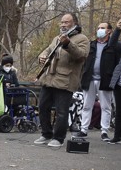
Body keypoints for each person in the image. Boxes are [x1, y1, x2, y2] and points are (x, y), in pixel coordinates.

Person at [34, 12, 89, 148]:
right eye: (62, 22)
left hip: (66, 80)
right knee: (42, 107)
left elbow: (81, 56)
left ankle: (58, 138)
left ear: (74, 24)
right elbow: (47, 50)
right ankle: (46, 133)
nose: (63, 25)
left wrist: (68, 44)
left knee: (62, 111)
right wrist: (42, 56)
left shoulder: (82, 39)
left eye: (66, 22)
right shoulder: (56, 38)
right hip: (49, 77)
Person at [79, 20, 121, 141]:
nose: (99, 30)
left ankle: (104, 131)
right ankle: (83, 129)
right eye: (98, 27)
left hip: (105, 80)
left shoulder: (113, 46)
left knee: (106, 107)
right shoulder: (91, 45)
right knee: (86, 106)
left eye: (102, 28)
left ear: (109, 31)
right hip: (89, 79)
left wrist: (118, 29)